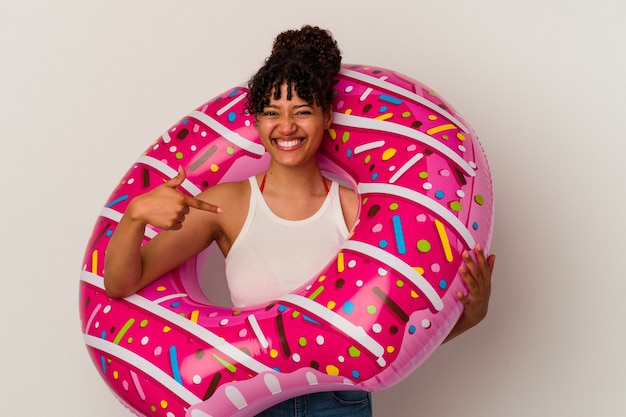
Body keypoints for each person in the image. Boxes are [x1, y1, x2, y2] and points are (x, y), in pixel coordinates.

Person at [104, 25, 496, 417]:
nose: (286, 126)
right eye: (272, 112)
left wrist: (468, 318)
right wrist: (136, 215)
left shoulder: (358, 213)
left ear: (326, 117)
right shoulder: (226, 204)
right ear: (255, 122)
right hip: (245, 402)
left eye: (302, 111)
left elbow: (381, 340)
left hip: (338, 403)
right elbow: (122, 284)